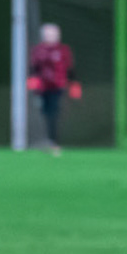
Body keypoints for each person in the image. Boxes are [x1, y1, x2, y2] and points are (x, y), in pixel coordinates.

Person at [26, 23, 80, 155]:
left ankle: (54, 142)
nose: (51, 37)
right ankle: (44, 140)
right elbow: (33, 68)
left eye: (53, 34)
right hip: (42, 88)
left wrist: (74, 84)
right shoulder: (38, 50)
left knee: (54, 114)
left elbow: (70, 68)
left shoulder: (63, 50)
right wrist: (32, 82)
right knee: (44, 113)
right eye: (48, 34)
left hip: (57, 87)